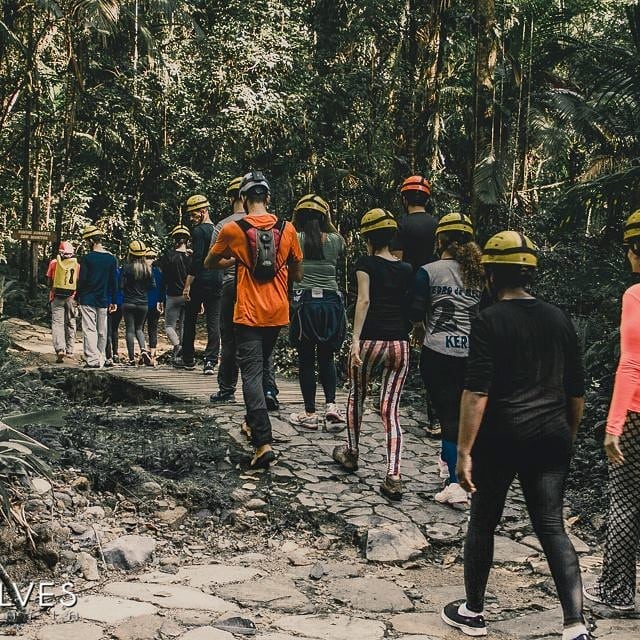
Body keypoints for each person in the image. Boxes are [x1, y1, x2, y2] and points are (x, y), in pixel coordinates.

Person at [441, 231, 589, 640]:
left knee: (483, 522)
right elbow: (576, 387)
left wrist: (464, 451)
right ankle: (575, 625)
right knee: (552, 526)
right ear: (529, 275)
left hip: (500, 440)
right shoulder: (559, 317)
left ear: (489, 274)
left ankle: (472, 612)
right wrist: (567, 435)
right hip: (550, 438)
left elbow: (477, 391)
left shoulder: (488, 320)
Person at [205, 170, 303, 468]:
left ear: (244, 198)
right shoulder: (287, 229)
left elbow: (210, 263)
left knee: (250, 373)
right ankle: (252, 422)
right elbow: (297, 273)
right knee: (261, 367)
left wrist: (237, 258)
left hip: (248, 312)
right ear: (268, 197)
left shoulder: (234, 229)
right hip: (277, 311)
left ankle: (263, 442)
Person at [332, 209, 413, 501]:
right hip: (399, 345)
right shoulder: (407, 269)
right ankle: (393, 475)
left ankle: (352, 453)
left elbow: (364, 299)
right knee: (390, 410)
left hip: (371, 341)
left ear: (367, 237)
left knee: (357, 394)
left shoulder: (365, 263)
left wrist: (354, 340)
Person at [583, 209, 640, 612]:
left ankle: (617, 592)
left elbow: (631, 363)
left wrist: (614, 424)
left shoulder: (635, 295)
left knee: (624, 499)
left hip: (636, 417)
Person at [410, 213, 483, 506]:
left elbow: (415, 312)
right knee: (469, 416)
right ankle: (456, 467)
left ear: (440, 239)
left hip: (437, 352)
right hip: (473, 354)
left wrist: (419, 325)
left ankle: (456, 483)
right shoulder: (480, 273)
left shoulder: (428, 271)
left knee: (448, 416)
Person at [288, 194, 346, 429]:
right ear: (324, 217)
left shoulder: (295, 238)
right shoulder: (335, 239)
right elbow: (338, 238)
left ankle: (310, 413)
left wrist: (294, 219)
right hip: (331, 303)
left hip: (305, 303)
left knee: (306, 360)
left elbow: (285, 237)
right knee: (326, 357)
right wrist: (328, 219)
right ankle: (331, 406)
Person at [179, 194, 222, 374]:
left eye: (193, 214)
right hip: (217, 278)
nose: (191, 218)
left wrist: (187, 284)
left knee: (190, 320)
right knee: (214, 322)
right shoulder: (218, 229)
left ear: (203, 211)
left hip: (200, 280)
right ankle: (211, 361)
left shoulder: (197, 231)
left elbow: (197, 261)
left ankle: (188, 358)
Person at [77, 225, 118, 369]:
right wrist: (114, 300)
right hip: (104, 299)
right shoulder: (111, 259)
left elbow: (82, 279)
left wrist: (77, 295)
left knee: (89, 329)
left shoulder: (87, 258)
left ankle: (92, 359)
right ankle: (100, 357)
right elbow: (114, 281)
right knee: (102, 330)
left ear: (90, 241)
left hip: (88, 298)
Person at [391, 175, 438, 271]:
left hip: (408, 282)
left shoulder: (401, 225)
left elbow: (397, 262)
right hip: (433, 281)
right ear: (427, 200)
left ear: (404, 199)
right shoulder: (437, 224)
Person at [121, 240, 155, 366]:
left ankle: (131, 359)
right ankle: (143, 349)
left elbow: (121, 285)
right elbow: (152, 286)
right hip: (143, 303)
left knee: (129, 330)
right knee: (139, 329)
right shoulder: (148, 269)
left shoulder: (127, 268)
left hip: (128, 302)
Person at [160, 224, 191, 363]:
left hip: (172, 295)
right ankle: (184, 353)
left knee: (169, 326)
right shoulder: (191, 256)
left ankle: (177, 346)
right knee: (185, 325)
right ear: (187, 240)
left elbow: (163, 276)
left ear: (174, 240)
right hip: (188, 294)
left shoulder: (168, 256)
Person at [46, 241, 79, 363]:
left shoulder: (54, 263)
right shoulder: (77, 265)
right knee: (71, 322)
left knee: (57, 323)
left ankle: (60, 349)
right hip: (71, 296)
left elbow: (49, 280)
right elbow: (78, 281)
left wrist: (52, 290)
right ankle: (70, 350)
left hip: (56, 297)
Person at [144, 248, 163, 366]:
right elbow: (162, 289)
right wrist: (161, 302)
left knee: (140, 328)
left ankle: (145, 351)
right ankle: (152, 353)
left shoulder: (141, 272)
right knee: (153, 329)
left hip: (144, 303)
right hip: (154, 304)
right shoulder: (158, 273)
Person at [105, 265, 123, 367]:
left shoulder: (107, 273)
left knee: (108, 329)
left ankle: (108, 355)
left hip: (109, 302)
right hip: (120, 302)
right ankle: (115, 353)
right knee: (115, 329)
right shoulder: (120, 272)